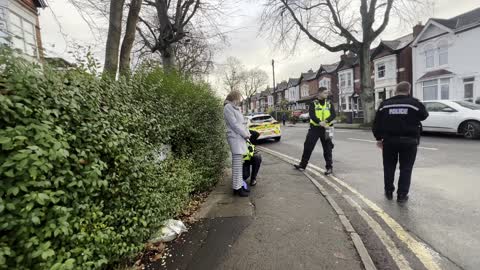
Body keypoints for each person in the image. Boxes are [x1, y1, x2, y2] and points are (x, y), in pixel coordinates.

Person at [372, 81, 429, 203]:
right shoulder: (414, 103)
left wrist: (378, 138)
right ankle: (402, 195)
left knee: (388, 167)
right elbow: (424, 115)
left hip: (389, 141)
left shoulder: (385, 104)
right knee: (406, 168)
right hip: (409, 141)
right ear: (409, 90)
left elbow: (376, 123)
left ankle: (388, 191)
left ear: (396, 90)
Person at [294, 87, 336, 175]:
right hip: (315, 128)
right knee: (308, 147)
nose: (326, 94)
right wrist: (319, 122)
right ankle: (302, 165)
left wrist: (326, 121)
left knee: (328, 149)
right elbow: (312, 115)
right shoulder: (313, 103)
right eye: (325, 93)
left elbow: (333, 115)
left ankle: (329, 168)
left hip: (328, 128)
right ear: (319, 93)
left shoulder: (329, 103)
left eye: (327, 93)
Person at [224, 90, 251, 197]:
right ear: (234, 97)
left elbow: (242, 123)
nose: (239, 100)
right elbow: (234, 124)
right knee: (236, 165)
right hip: (234, 138)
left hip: (239, 138)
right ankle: (237, 188)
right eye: (238, 98)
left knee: (239, 165)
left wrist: (247, 132)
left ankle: (239, 187)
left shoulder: (235, 108)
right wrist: (245, 134)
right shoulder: (228, 108)